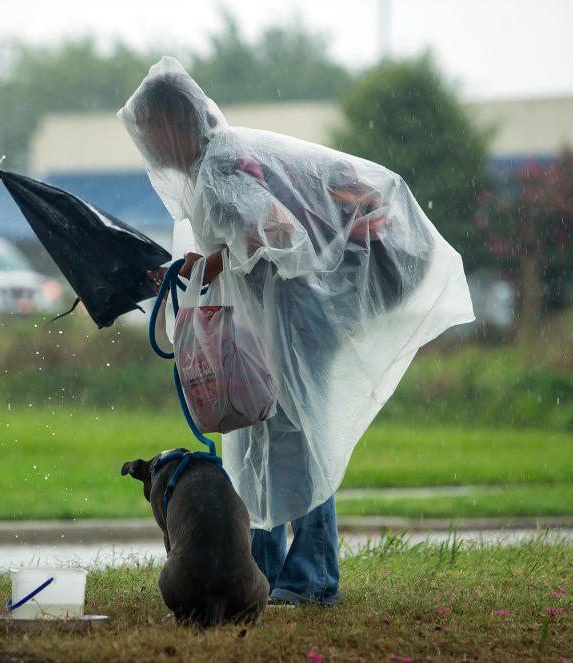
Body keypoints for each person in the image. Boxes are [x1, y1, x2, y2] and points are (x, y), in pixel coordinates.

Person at [120, 57, 475, 605]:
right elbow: (249, 241)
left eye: (149, 135)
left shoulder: (219, 169)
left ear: (169, 124)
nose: (151, 150)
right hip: (280, 321)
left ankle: (312, 578)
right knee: (261, 439)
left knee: (296, 442)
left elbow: (278, 232)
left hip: (294, 322)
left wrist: (210, 264)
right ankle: (264, 569)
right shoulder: (225, 158)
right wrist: (197, 266)